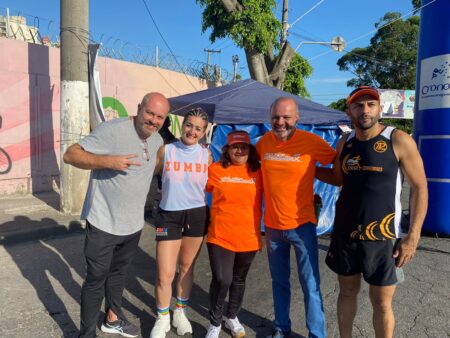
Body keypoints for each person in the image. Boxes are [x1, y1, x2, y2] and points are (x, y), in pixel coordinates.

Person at [316, 86, 428, 338]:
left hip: (383, 237)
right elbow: (336, 178)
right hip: (346, 234)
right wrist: (303, 167)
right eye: (358, 105)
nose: (364, 110)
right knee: (346, 293)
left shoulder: (397, 139)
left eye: (370, 104)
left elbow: (420, 187)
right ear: (349, 111)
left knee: (381, 302)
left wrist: (413, 236)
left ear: (379, 108)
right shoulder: (345, 141)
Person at [63, 92, 170, 338]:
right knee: (96, 280)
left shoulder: (156, 141)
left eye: (160, 117)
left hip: (132, 225)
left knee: (119, 274)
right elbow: (71, 154)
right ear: (139, 108)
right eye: (150, 113)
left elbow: (150, 168)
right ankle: (87, 334)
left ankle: (112, 319)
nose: (153, 120)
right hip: (103, 223)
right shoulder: (113, 130)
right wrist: (107, 161)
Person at [256, 97, 336, 338]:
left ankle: (317, 334)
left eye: (286, 117)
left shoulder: (312, 141)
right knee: (279, 282)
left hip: (302, 226)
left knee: (310, 285)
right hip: (272, 227)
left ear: (297, 118)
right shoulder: (263, 143)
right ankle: (281, 328)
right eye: (275, 118)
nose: (280, 122)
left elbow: (338, 161)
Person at [150, 107, 212, 338]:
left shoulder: (206, 155)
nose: (192, 131)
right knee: (165, 273)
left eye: (198, 128)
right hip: (169, 215)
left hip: (196, 214)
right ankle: (162, 317)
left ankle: (180, 312)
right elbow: (149, 176)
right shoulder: (166, 150)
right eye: (188, 125)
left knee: (186, 269)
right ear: (181, 125)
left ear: (204, 132)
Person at [204, 131, 263, 338]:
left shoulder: (259, 172)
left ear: (250, 150)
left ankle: (232, 316)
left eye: (244, 146)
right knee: (222, 279)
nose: (239, 150)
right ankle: (215, 322)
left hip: (249, 237)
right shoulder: (215, 169)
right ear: (227, 150)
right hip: (220, 235)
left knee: (239, 280)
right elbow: (195, 187)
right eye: (235, 146)